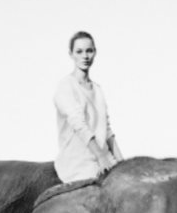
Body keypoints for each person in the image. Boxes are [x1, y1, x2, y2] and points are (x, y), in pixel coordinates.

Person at [53, 31, 124, 183]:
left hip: (105, 158)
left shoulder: (97, 89)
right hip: (79, 163)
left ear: (95, 52)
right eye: (79, 51)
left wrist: (123, 163)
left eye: (89, 51)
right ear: (71, 54)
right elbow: (79, 125)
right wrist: (100, 157)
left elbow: (107, 131)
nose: (85, 56)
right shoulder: (66, 85)